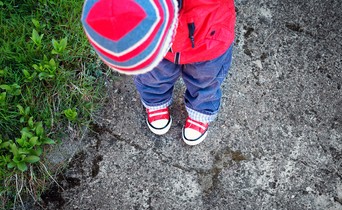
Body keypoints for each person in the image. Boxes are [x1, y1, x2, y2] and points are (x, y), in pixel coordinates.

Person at [82, 0, 236, 145]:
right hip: (158, 36)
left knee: (205, 79)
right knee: (153, 76)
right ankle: (156, 100)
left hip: (209, 36)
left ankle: (201, 109)